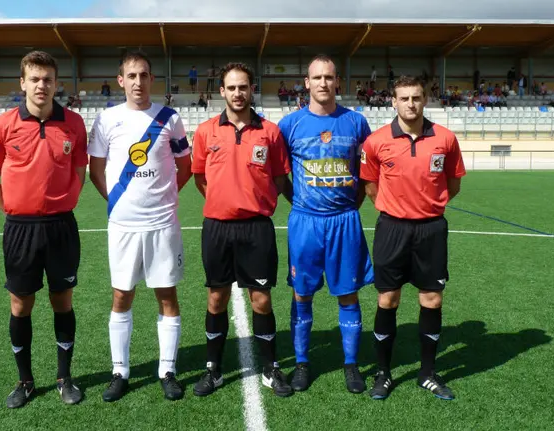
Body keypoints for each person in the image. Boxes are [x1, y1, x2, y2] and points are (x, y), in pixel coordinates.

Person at [0, 51, 88, 408]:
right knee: (20, 303)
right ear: (23, 83)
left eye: (48, 79)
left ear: (57, 84)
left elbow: (79, 171)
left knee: (62, 300)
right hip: (20, 229)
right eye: (35, 79)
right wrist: (13, 211)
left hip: (61, 226)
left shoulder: (74, 124)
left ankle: (64, 377)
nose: (42, 85)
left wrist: (63, 202)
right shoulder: (2, 125)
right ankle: (25, 381)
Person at [88, 50, 193, 402]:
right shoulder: (107, 120)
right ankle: (120, 371)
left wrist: (165, 197)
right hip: (123, 226)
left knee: (166, 294)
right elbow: (96, 171)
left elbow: (185, 167)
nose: (138, 82)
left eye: (143, 75)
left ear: (152, 79)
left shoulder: (170, 119)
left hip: (163, 224)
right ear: (121, 81)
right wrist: (117, 202)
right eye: (131, 76)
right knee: (122, 295)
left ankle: (167, 370)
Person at [359, 75, 466, 401]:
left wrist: (428, 207)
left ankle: (427, 373)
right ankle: (383, 373)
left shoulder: (445, 139)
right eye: (404, 98)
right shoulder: (376, 141)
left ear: (425, 100)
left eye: (416, 97)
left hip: (431, 230)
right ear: (393, 101)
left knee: (432, 300)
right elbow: (370, 185)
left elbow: (453, 183)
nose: (410, 104)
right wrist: (395, 209)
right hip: (392, 229)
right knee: (388, 300)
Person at [191, 62, 293, 398]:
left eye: (243, 87)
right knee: (216, 298)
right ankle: (213, 369)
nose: (238, 93)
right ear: (222, 91)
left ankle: (270, 368)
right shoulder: (206, 131)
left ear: (252, 89)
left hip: (256, 229)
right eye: (231, 87)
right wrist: (225, 202)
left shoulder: (270, 132)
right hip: (217, 228)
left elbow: (279, 178)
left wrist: (253, 201)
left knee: (261, 300)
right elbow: (200, 178)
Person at [278, 54, 374, 394]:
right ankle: (302, 363)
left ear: (337, 82)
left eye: (329, 77)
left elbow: (366, 173)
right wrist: (300, 204)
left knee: (347, 293)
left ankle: (351, 364)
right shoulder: (289, 125)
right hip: (305, 222)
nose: (323, 83)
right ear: (307, 83)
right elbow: (280, 176)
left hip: (344, 221)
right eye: (317, 77)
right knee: (301, 293)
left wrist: (350, 207)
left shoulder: (356, 122)